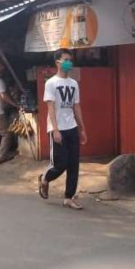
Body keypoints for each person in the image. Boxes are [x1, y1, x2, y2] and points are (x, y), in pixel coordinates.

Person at [38, 49, 88, 210]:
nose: (69, 63)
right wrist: (55, 130)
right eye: (66, 60)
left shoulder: (74, 84)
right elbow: (50, 108)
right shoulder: (51, 83)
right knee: (61, 164)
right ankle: (45, 178)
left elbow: (77, 106)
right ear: (57, 62)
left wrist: (82, 129)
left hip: (71, 127)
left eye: (70, 60)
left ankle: (69, 197)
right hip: (58, 128)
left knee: (74, 164)